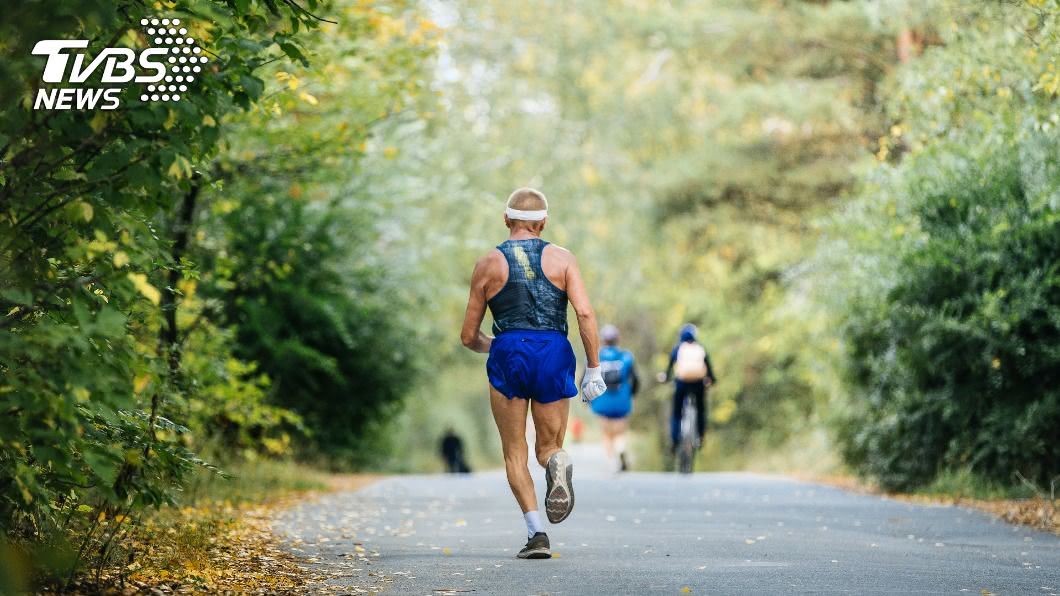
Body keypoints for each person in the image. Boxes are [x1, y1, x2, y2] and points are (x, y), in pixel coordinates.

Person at [460, 187, 606, 560]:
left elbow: (468, 336)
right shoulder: (563, 259)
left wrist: (497, 345)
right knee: (547, 448)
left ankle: (536, 532)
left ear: (507, 220)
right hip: (553, 351)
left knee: (514, 452)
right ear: (542, 223)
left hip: (509, 351)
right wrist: (593, 368)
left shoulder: (487, 264)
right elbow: (585, 315)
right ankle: (557, 461)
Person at [589, 324, 640, 471]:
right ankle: (621, 448)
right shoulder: (626, 357)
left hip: (601, 401)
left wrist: (589, 400)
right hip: (621, 400)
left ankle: (611, 462)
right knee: (619, 433)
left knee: (606, 434)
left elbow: (584, 381)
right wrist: (632, 395)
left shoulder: (596, 357)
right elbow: (635, 380)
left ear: (603, 340)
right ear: (617, 339)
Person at [662, 324, 717, 452]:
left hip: (681, 383)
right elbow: (709, 369)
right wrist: (712, 379)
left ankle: (675, 440)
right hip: (698, 384)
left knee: (676, 412)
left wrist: (665, 377)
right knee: (701, 410)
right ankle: (700, 438)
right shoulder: (700, 348)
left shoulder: (678, 348)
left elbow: (669, 368)